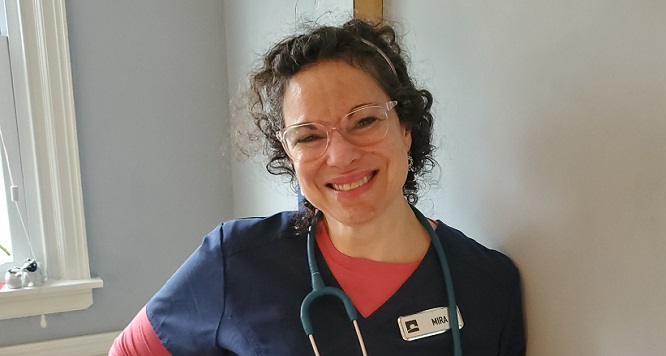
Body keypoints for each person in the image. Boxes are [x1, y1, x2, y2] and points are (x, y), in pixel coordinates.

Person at [111, 19, 526, 355]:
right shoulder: (234, 264)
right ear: (288, 154)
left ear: (405, 128)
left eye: (364, 120)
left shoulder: (487, 285)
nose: (341, 155)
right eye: (309, 136)